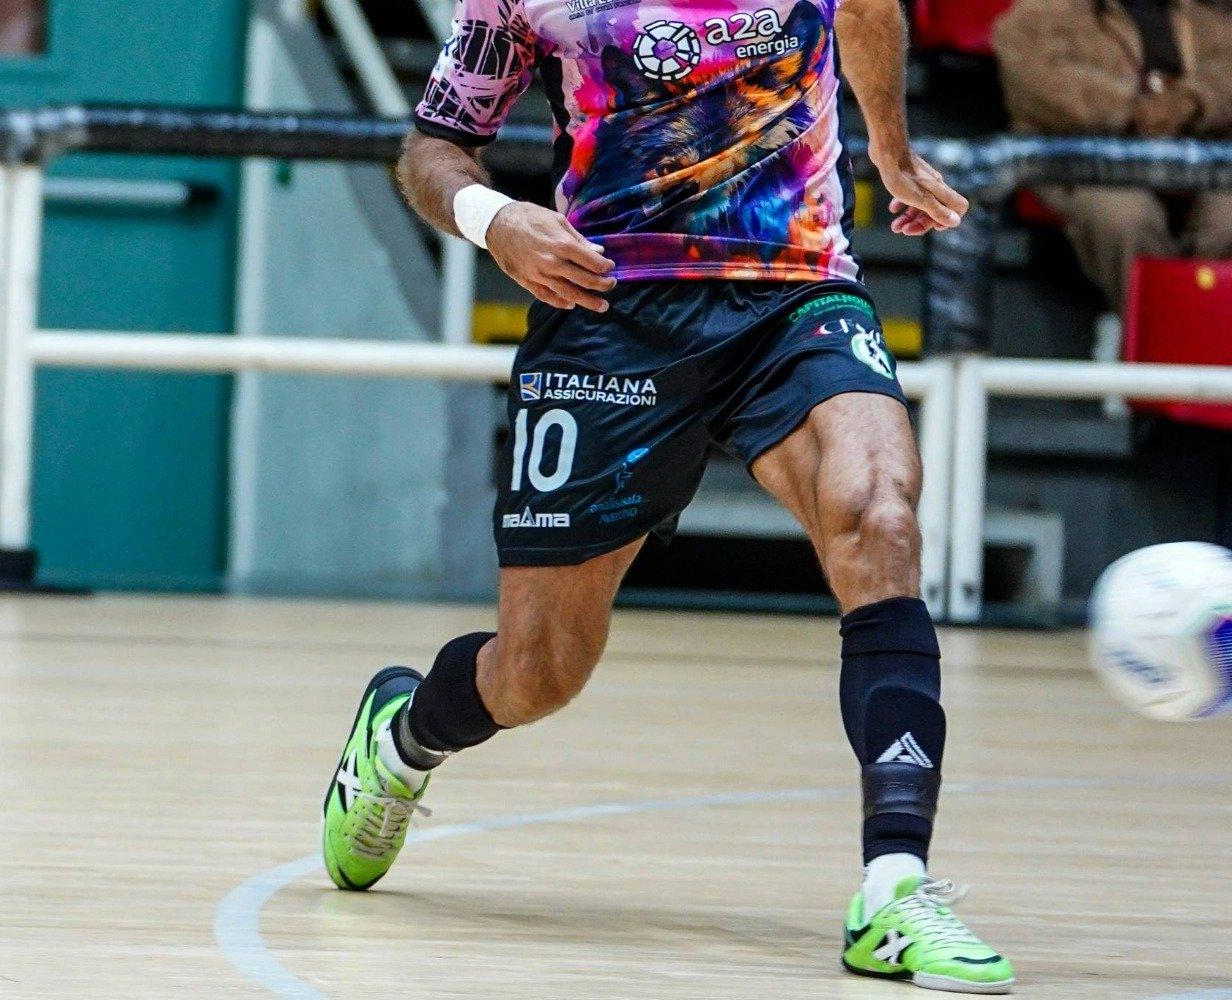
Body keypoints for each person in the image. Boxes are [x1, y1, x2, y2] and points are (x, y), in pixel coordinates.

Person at [331, 0, 1012, 991]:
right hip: (610, 309)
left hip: (795, 287)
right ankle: (401, 737)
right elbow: (434, 148)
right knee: (539, 671)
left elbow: (867, 8)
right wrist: (498, 219)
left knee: (882, 514)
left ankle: (894, 887)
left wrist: (890, 149)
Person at [997, 0, 1232, 301]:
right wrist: (1135, 109)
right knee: (1121, 217)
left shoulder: (1202, 12)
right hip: (1085, 165)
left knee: (1227, 217)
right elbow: (1038, 84)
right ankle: (1162, 332)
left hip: (1197, 161)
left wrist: (1194, 101)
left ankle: (1202, 327)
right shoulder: (1044, 11)